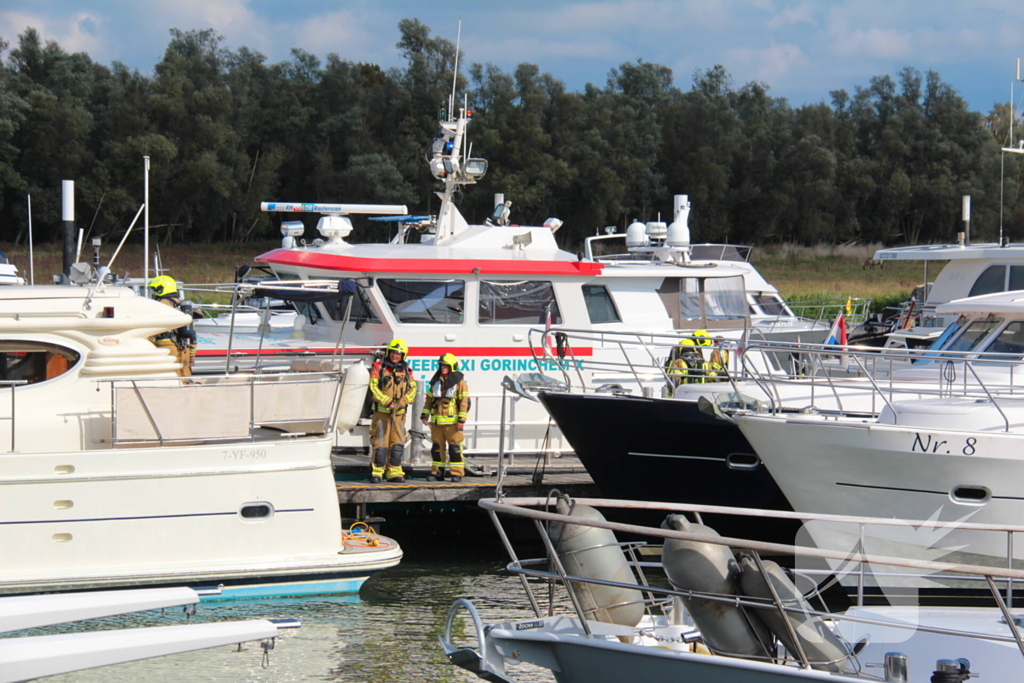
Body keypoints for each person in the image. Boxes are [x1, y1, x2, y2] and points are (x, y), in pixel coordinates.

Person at [368, 339, 417, 483]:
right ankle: (377, 471)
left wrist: (404, 401)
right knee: (380, 442)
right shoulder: (378, 367)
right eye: (393, 352)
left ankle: (394, 471)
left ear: (403, 355)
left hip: (399, 415)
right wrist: (386, 401)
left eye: (398, 353)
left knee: (397, 443)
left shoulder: (407, 371)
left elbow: (413, 389)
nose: (395, 355)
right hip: (382, 413)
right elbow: (373, 387)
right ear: (388, 353)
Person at [420, 353, 471, 482]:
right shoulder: (435, 382)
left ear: (452, 367)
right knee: (437, 449)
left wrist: (461, 420)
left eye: (446, 366)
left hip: (453, 423)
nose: (443, 368)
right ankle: (437, 472)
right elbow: (429, 400)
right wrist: (425, 414)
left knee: (454, 449)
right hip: (437, 422)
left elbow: (464, 402)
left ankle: (457, 473)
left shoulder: (460, 384)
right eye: (442, 365)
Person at [147, 276, 197, 377]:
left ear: (161, 289)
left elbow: (155, 326)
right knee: (185, 377)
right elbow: (192, 332)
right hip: (184, 348)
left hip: (166, 345)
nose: (152, 293)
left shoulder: (162, 304)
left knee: (170, 376)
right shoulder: (182, 305)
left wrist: (147, 345)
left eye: (154, 290)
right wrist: (191, 354)